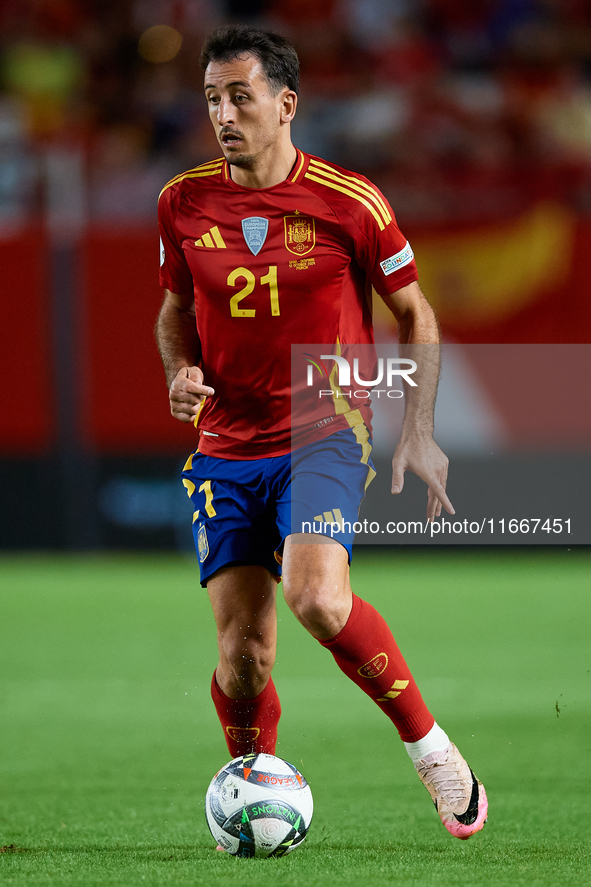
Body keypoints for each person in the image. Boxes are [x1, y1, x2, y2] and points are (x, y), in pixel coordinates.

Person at [155, 24, 487, 841]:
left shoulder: (348, 200)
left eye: (239, 96)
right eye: (210, 99)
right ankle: (248, 784)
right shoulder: (182, 201)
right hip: (226, 444)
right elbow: (173, 309)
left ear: (285, 103)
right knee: (243, 655)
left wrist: (416, 428)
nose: (223, 113)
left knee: (316, 597)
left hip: (324, 429)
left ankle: (432, 749)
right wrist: (178, 371)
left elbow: (415, 312)